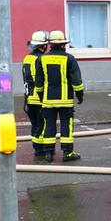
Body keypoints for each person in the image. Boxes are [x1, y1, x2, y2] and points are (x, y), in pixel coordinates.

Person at [34, 30, 84, 163]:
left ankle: (48, 154)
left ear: (50, 44)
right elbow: (76, 80)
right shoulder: (70, 58)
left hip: (48, 100)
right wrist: (80, 95)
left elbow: (38, 82)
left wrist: (41, 96)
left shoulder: (42, 59)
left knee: (49, 125)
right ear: (63, 44)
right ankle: (67, 153)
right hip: (65, 100)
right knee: (66, 125)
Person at [22, 30, 48, 159]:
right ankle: (40, 149)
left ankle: (37, 147)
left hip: (29, 97)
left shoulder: (27, 58)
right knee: (42, 123)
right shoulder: (42, 59)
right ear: (43, 45)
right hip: (39, 97)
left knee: (34, 123)